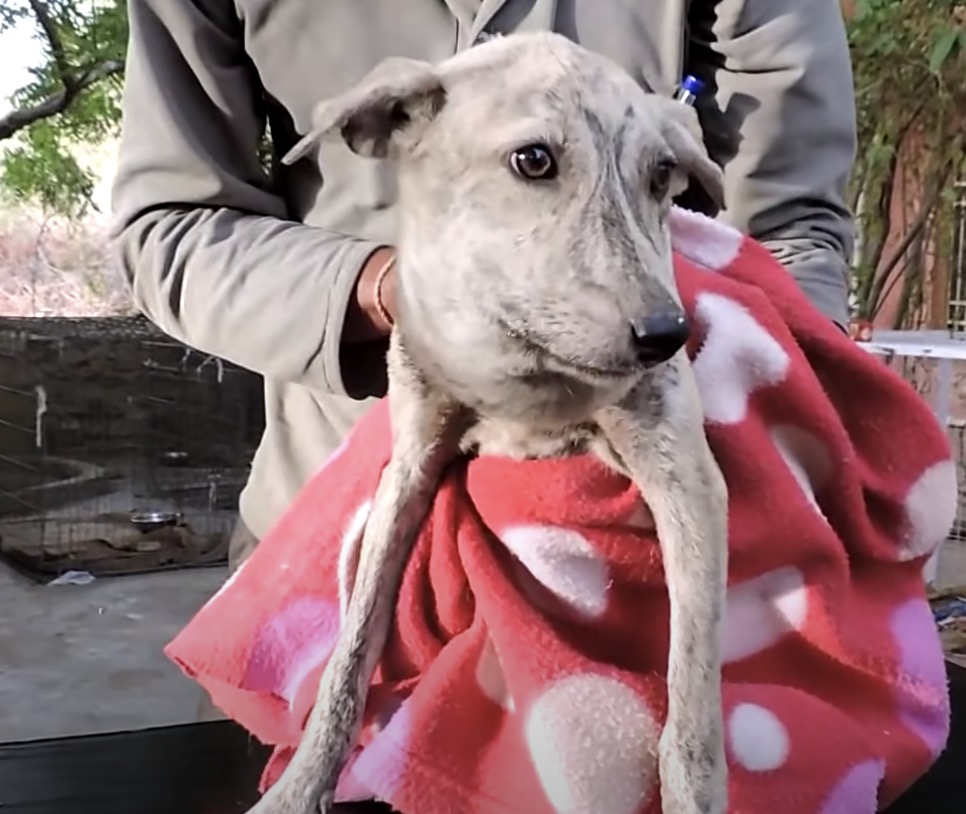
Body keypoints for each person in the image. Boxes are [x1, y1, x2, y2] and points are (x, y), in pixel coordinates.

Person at [111, 0, 857, 570]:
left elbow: (788, 239)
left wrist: (760, 480)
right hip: (329, 541)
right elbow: (170, 226)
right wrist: (395, 290)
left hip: (638, 555)